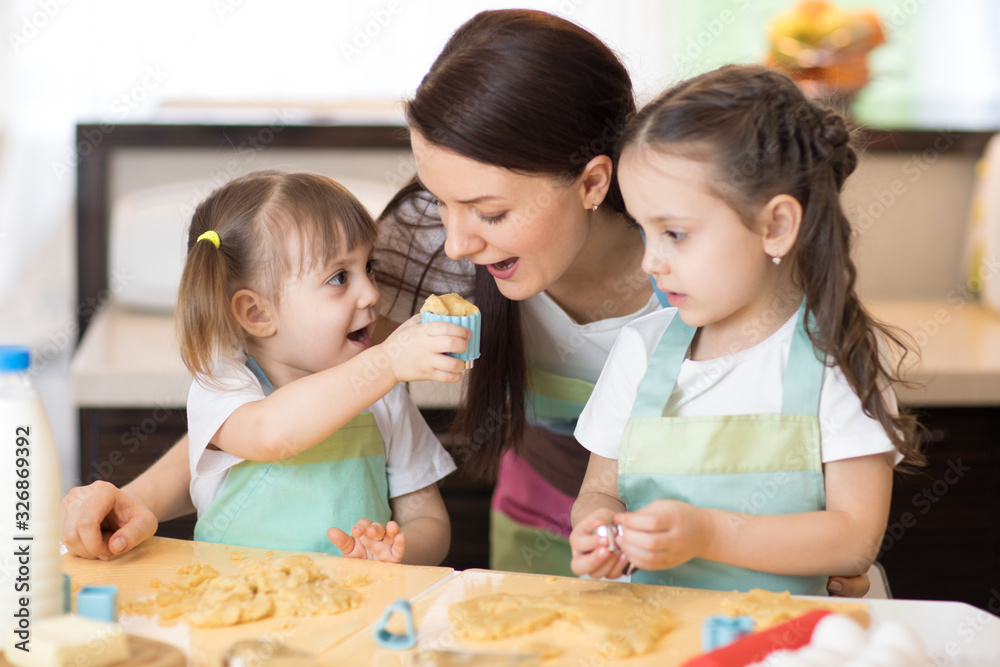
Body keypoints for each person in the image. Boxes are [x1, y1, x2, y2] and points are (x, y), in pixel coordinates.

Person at [60, 10, 870, 596]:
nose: (454, 242)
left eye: (488, 211)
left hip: (734, 572)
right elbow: (271, 407)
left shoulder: (710, 263)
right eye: (440, 199)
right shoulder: (420, 245)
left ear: (593, 182)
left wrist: (802, 539)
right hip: (545, 539)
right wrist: (139, 498)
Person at [568, 64, 924, 593]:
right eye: (645, 231)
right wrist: (598, 527)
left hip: (788, 633)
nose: (650, 261)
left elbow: (854, 538)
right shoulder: (641, 349)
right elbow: (600, 490)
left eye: (675, 233)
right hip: (653, 627)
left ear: (775, 226)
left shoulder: (837, 356)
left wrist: (706, 533)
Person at [174, 170, 466, 563]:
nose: (371, 293)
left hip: (356, 599)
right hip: (234, 597)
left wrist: (395, 554)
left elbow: (427, 518)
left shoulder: (384, 393)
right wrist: (386, 361)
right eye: (339, 277)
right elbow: (270, 434)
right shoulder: (225, 385)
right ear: (258, 313)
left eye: (369, 267)